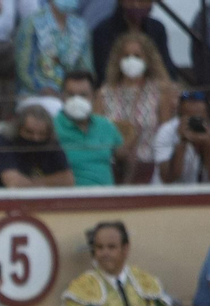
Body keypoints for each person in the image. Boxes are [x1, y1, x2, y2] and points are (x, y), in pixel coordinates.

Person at [66, 220, 210, 306]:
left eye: (111, 247)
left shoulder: (144, 282)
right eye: (99, 247)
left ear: (125, 249)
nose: (104, 253)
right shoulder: (82, 287)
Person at [96, 31, 173, 184]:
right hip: (111, 169)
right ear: (118, 60)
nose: (131, 60)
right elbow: (96, 135)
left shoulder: (160, 93)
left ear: (148, 60)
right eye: (126, 56)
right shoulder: (103, 94)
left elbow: (167, 134)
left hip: (149, 168)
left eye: (137, 56)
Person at [152, 90, 210, 185]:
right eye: (188, 117)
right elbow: (167, 178)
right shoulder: (166, 131)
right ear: (179, 117)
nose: (194, 122)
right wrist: (182, 141)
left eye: (199, 118)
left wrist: (207, 145)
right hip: (169, 195)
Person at [0, 103, 70, 187]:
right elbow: (14, 183)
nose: (35, 138)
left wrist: (33, 182)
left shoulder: (50, 143)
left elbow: (68, 179)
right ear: (18, 129)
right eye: (29, 132)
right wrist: (47, 182)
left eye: (41, 134)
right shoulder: (3, 142)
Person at [13, 0, 91, 101]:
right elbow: (24, 71)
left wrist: (73, 92)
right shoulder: (32, 24)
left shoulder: (80, 26)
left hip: (73, 95)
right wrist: (44, 90)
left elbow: (86, 69)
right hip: (34, 96)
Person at [53, 69, 120, 186]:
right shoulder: (51, 128)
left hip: (106, 198)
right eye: (71, 94)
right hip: (69, 199)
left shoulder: (105, 126)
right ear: (62, 96)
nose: (77, 100)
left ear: (94, 96)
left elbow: (124, 158)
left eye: (83, 95)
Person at [89, 0, 171, 86]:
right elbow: (102, 72)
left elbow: (167, 66)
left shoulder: (157, 29)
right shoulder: (103, 31)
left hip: (153, 88)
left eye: (142, 1)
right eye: (131, 1)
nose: (136, 5)